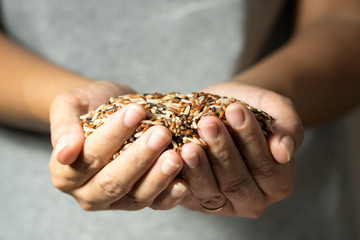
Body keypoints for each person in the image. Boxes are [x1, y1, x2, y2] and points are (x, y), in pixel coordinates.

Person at [0, 0, 359, 239]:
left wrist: (266, 99)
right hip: (38, 217)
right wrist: (65, 108)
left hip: (285, 212)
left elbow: (345, 20)